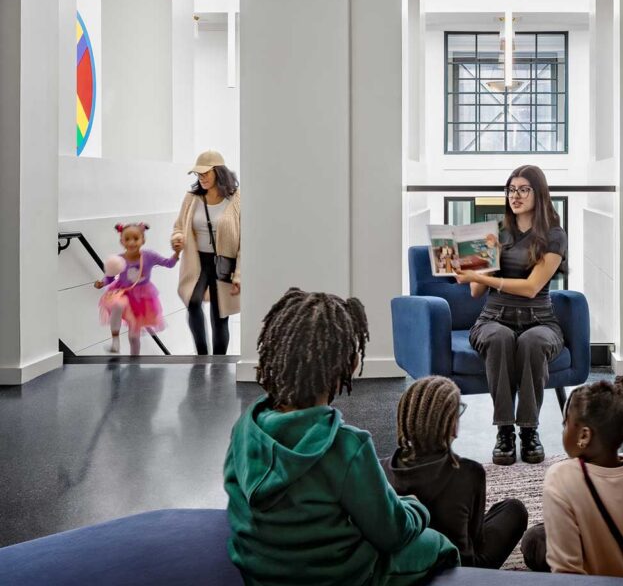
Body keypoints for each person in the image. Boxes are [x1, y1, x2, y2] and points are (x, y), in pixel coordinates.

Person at [224, 288, 459, 586]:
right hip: (339, 576)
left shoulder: (246, 427)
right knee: (437, 544)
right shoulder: (346, 446)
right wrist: (416, 507)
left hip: (258, 572)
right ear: (348, 365)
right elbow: (392, 533)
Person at [455, 165, 568, 465]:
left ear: (538, 193)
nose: (515, 196)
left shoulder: (554, 236)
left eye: (523, 189)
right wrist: (469, 270)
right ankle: (504, 430)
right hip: (493, 318)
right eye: (511, 190)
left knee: (533, 342)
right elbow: (476, 294)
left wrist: (489, 279)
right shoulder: (495, 235)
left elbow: (532, 287)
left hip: (540, 320)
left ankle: (529, 430)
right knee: (499, 337)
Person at [520, 376, 623, 582]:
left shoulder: (560, 478)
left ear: (584, 436)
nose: (563, 430)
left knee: (533, 540)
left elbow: (567, 574)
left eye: (565, 424)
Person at [383, 376, 528, 569]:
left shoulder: (381, 469)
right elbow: (476, 539)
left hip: (403, 569)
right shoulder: (469, 472)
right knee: (514, 509)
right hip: (460, 572)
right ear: (451, 425)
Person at [170, 150, 241, 355]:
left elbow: (244, 241)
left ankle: (219, 362)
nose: (201, 178)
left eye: (205, 173)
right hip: (197, 262)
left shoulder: (235, 200)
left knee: (220, 315)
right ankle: (202, 356)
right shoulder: (192, 198)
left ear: (219, 172)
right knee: (193, 302)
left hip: (224, 263)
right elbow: (178, 226)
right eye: (198, 174)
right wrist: (177, 238)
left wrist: (239, 275)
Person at [94, 223, 179, 356]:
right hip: (122, 293)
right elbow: (110, 277)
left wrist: (177, 253)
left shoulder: (149, 256)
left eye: (135, 238)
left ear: (143, 240)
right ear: (122, 241)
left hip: (142, 298)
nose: (131, 242)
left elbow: (169, 263)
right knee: (117, 305)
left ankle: (135, 360)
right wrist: (102, 283)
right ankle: (115, 342)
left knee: (134, 337)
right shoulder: (119, 259)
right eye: (127, 239)